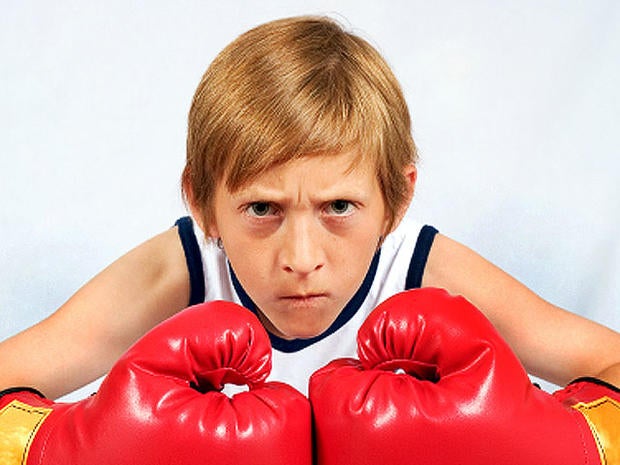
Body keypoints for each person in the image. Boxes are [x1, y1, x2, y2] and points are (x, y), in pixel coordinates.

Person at [0, 15, 619, 400]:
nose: (300, 258)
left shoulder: (425, 273)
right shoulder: (182, 270)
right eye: (262, 209)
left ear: (397, 199)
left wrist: (540, 443)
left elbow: (609, 364)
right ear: (202, 204)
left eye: (339, 206)